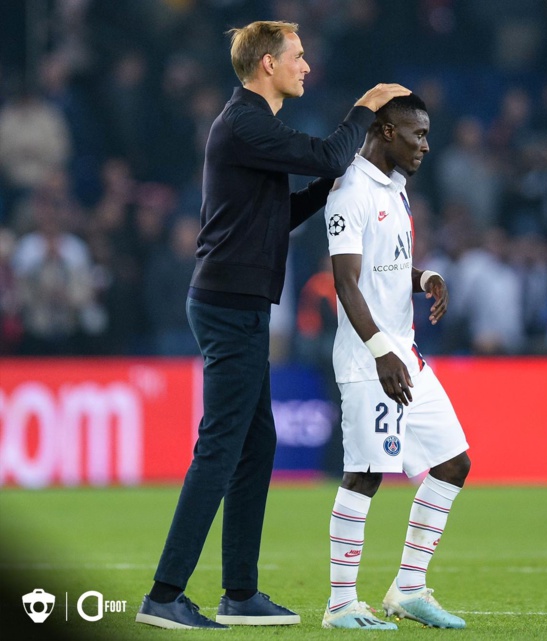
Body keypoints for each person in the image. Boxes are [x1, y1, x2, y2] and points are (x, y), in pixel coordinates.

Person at [135, 20, 410, 629]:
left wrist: (332, 183)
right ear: (266, 64)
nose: (306, 65)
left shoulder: (248, 128)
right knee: (220, 447)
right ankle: (165, 593)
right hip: (230, 305)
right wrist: (364, 111)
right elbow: (328, 152)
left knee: (254, 444)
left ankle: (239, 594)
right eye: (298, 56)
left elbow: (278, 212)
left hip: (236, 301)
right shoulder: (246, 123)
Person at [320, 93, 471, 630]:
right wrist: (382, 351)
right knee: (364, 474)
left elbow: (388, 269)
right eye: (417, 135)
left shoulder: (397, 190)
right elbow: (346, 282)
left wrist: (423, 278)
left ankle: (407, 589)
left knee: (454, 462)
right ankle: (340, 604)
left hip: (404, 352)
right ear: (385, 132)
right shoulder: (350, 191)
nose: (425, 145)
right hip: (371, 361)